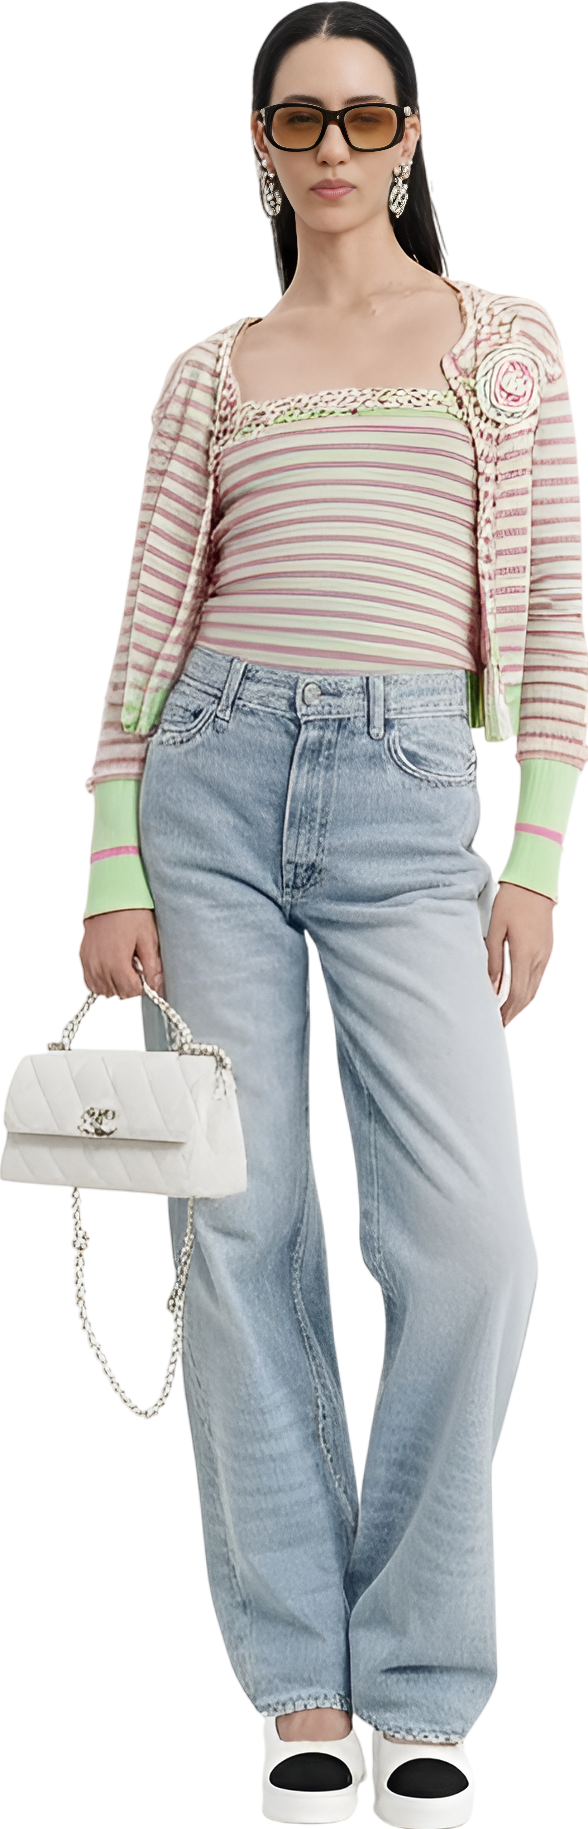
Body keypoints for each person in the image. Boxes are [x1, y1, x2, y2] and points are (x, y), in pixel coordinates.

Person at [77, 5, 588, 1823]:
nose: (337, 148)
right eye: (303, 120)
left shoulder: (503, 353)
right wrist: (109, 855)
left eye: (366, 118)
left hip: (412, 804)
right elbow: (149, 616)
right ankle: (299, 1673)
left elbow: (559, 617)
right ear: (261, 144)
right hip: (212, 786)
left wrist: (537, 860)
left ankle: (427, 1672)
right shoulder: (216, 368)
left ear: (411, 133)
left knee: (476, 1246)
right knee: (242, 1223)